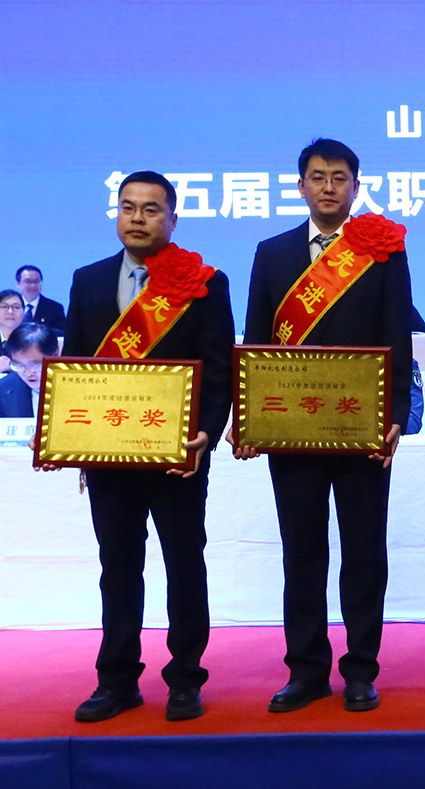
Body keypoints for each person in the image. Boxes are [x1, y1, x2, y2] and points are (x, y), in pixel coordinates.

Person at [238, 138, 413, 714]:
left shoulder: (382, 251)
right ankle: (307, 670)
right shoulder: (272, 253)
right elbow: (257, 340)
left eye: (340, 177)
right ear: (301, 187)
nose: (329, 186)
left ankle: (361, 669)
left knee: (364, 553)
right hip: (290, 431)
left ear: (356, 187)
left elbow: (396, 334)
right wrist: (251, 417)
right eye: (318, 177)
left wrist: (394, 417)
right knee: (302, 554)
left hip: (363, 431)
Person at [54, 171, 234, 722]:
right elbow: (76, 368)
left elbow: (220, 369)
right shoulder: (87, 281)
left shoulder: (206, 282)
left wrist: (207, 434)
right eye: (128, 207)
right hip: (110, 456)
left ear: (172, 219)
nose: (137, 218)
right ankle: (116, 680)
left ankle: (185, 678)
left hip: (179, 456)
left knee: (184, 564)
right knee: (118, 567)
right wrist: (72, 439)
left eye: (151, 209)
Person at [0, 323, 59, 417]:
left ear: (55, 356)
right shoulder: (3, 389)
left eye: (35, 365)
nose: (28, 373)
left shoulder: (77, 387)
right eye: (19, 365)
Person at [16, 265, 66, 335]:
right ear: (18, 284)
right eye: (28, 281)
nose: (33, 285)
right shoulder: (10, 306)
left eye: (36, 281)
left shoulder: (54, 308)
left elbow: (61, 332)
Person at [0, 290, 22, 372]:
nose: (10, 311)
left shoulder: (32, 339)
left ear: (24, 312)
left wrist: (11, 366)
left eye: (16, 307)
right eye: (4, 306)